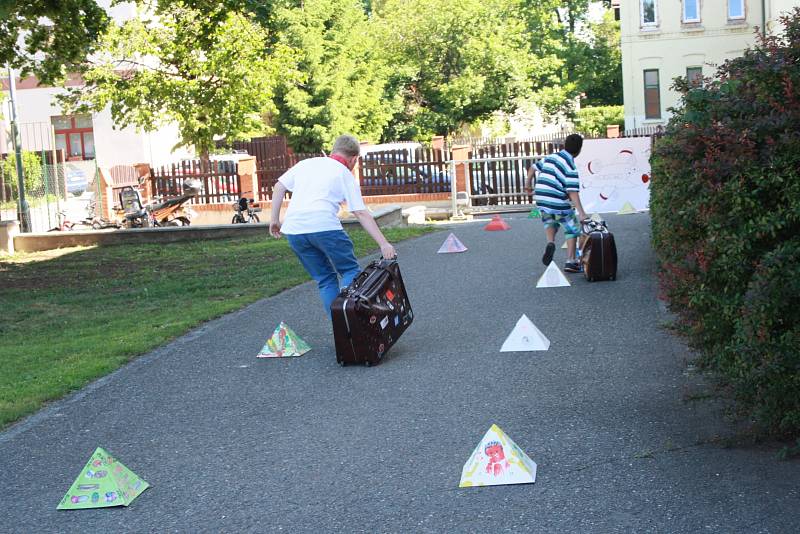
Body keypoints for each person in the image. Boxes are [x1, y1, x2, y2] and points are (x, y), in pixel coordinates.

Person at [269, 134, 397, 315]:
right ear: (354, 159)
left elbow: (279, 186)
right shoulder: (343, 173)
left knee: (325, 279)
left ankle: (340, 328)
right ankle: (351, 322)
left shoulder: (306, 164)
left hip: (294, 230)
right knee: (349, 270)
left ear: (334, 150)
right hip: (325, 228)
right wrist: (383, 243)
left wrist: (274, 219)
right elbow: (360, 212)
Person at [524, 134, 587, 273]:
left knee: (550, 220)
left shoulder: (551, 157)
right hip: (557, 199)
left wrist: (528, 184)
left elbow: (533, 168)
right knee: (572, 227)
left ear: (564, 145)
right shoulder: (571, 166)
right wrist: (581, 213)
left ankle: (550, 242)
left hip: (541, 198)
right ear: (579, 150)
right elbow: (572, 192)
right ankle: (571, 261)